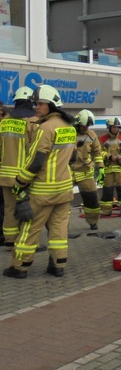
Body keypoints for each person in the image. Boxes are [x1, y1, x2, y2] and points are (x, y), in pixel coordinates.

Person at [4, 85, 76, 279]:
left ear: (51, 106)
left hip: (44, 190)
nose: (36, 107)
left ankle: (19, 267)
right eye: (36, 103)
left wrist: (19, 182)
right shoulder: (69, 127)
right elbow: (73, 157)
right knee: (59, 229)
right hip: (65, 189)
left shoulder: (45, 128)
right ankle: (57, 266)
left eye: (40, 103)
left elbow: (36, 161)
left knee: (30, 228)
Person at [0, 87, 38, 250]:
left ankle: (10, 241)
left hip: (5, 176)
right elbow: (35, 149)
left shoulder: (5, 121)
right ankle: (24, 243)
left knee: (9, 208)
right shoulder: (31, 122)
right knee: (26, 209)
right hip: (24, 176)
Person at [71, 110, 104, 230]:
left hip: (85, 171)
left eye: (88, 126)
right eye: (84, 125)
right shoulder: (69, 132)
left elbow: (97, 152)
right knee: (63, 200)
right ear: (78, 123)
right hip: (69, 171)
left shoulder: (92, 135)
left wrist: (100, 167)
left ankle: (93, 222)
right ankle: (61, 227)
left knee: (92, 199)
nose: (86, 128)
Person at [99, 117, 121, 217]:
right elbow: (98, 152)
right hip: (108, 169)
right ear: (109, 127)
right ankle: (106, 210)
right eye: (113, 127)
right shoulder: (102, 139)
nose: (115, 129)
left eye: (117, 127)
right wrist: (108, 156)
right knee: (107, 191)